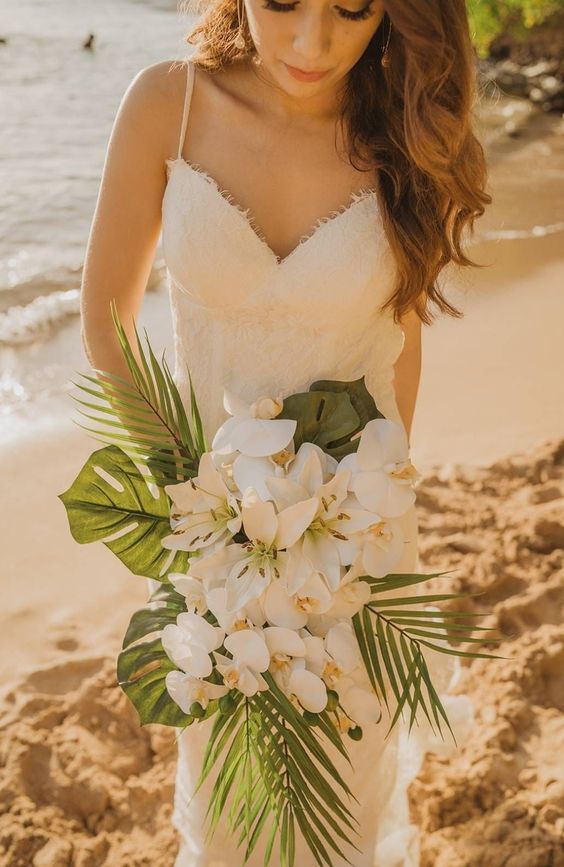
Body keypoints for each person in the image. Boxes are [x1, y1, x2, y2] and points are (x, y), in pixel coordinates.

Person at [80, 0, 490, 864]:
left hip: (356, 537)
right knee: (234, 816)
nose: (313, 43)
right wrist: (184, 492)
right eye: (282, 4)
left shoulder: (405, 128)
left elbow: (398, 340)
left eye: (350, 9)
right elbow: (106, 318)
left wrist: (369, 514)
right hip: (211, 534)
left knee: (338, 804)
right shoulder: (169, 103)